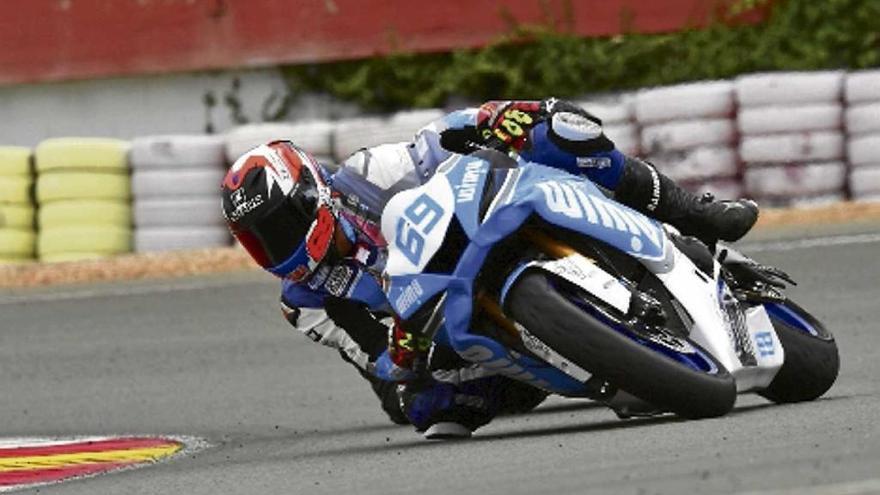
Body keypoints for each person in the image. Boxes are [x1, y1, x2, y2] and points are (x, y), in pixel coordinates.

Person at [220, 98, 758, 438]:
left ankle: (693, 212)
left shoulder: (365, 175)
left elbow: (435, 142)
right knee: (427, 411)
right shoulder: (305, 302)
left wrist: (496, 118)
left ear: (310, 192)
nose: (275, 246)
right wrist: (402, 359)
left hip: (482, 225)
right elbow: (376, 361)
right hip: (446, 325)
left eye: (278, 225)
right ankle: (572, 367)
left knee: (558, 134)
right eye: (256, 240)